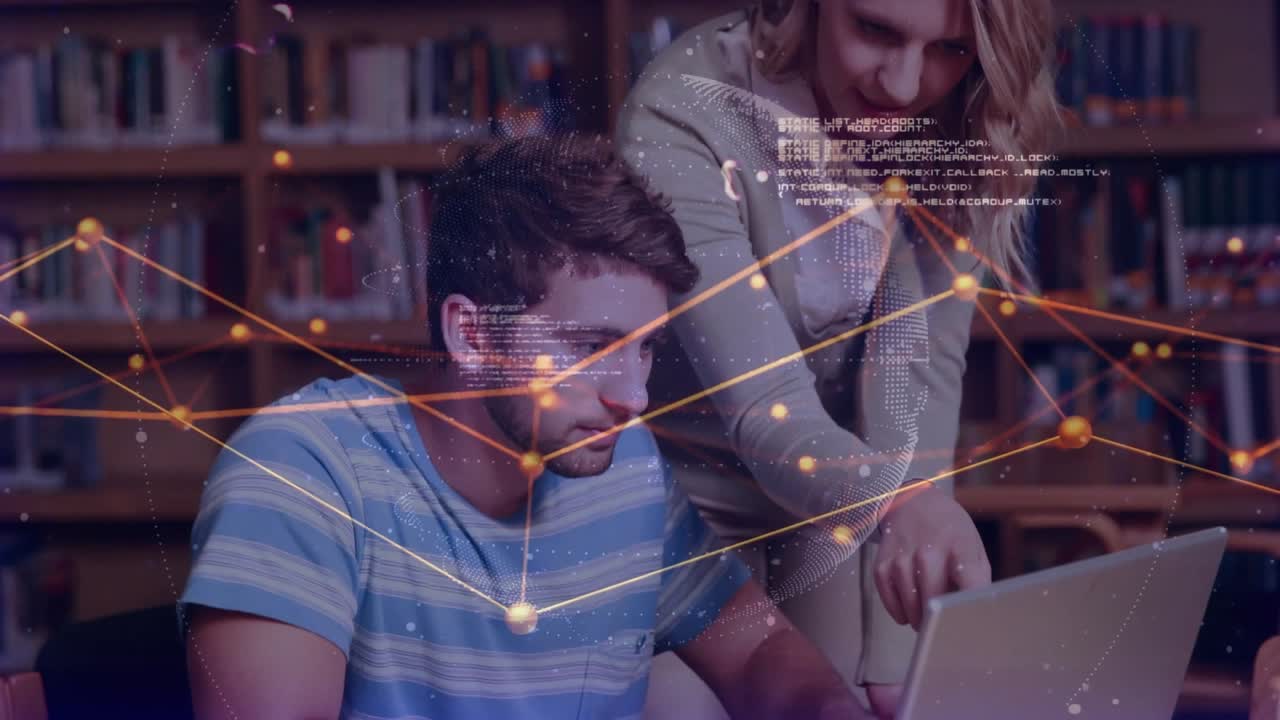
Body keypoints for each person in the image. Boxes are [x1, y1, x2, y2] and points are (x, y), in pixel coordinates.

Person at [179, 135, 875, 719]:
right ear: (472, 336)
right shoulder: (301, 471)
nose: (633, 397)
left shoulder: (622, 465)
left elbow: (756, 649)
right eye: (592, 348)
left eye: (645, 348)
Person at [617, 1, 1061, 717]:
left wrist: (896, 658)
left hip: (830, 505)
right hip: (676, 515)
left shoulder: (949, 124)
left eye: (949, 50)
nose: (904, 83)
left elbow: (919, 372)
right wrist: (903, 503)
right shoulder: (683, 114)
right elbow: (767, 411)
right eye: (876, 30)